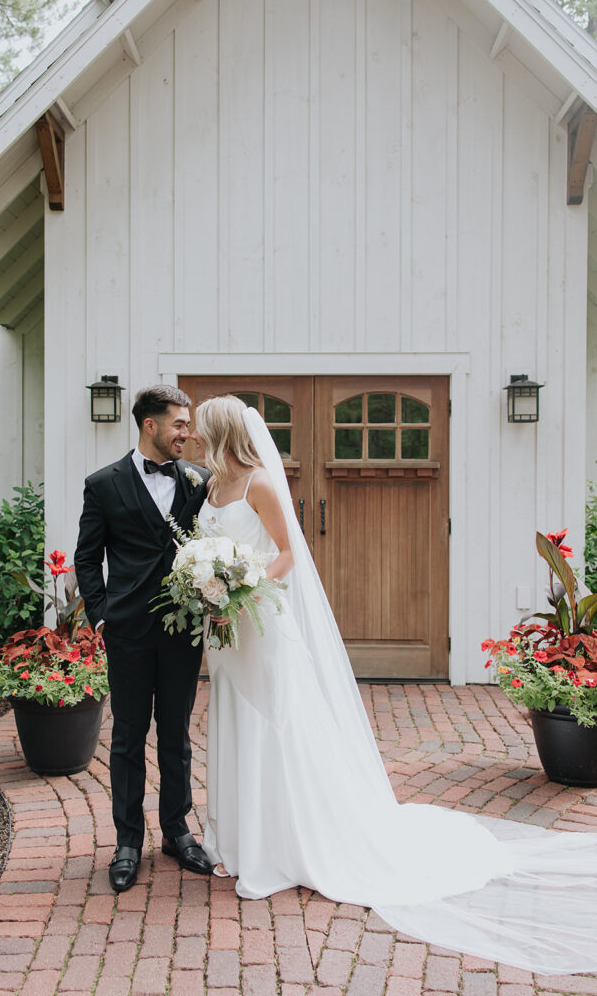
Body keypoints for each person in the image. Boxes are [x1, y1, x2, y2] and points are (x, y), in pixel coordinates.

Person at [190, 394, 597, 976]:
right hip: (226, 635)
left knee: (275, 726)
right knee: (235, 720)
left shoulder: (258, 483)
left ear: (223, 430)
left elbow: (286, 555)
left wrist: (240, 589)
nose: (197, 438)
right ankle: (236, 841)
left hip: (261, 622)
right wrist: (205, 589)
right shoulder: (211, 488)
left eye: (203, 429)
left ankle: (281, 845)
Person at [74, 384, 212, 893]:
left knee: (175, 734)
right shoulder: (103, 484)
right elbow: (87, 556)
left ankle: (177, 831)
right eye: (179, 424)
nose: (187, 433)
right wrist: (101, 616)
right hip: (127, 630)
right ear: (149, 425)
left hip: (182, 630)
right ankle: (128, 841)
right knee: (128, 736)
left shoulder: (200, 481)